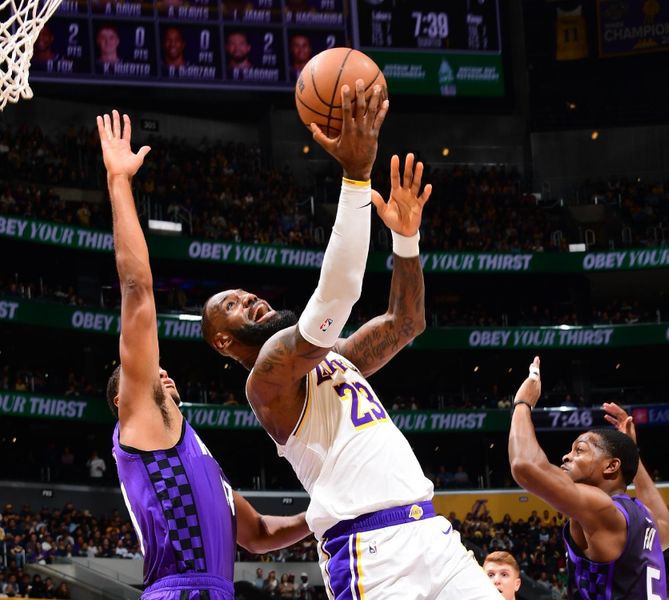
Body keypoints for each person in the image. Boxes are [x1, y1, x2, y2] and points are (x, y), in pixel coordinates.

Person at [201, 82, 497, 598]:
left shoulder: (331, 358)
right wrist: (356, 177)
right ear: (225, 342)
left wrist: (406, 239)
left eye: (246, 293)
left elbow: (406, 323)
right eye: (231, 305)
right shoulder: (267, 378)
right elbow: (335, 298)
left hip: (430, 533)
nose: (249, 299)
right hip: (370, 552)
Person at [97, 110, 310, 600]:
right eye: (154, 374)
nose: (164, 375)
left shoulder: (201, 457)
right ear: (123, 401)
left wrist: (323, 514)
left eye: (166, 372)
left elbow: (258, 535)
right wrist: (119, 182)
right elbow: (137, 289)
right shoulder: (141, 423)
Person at [508, 357, 669, 600]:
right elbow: (665, 526)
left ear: (610, 466)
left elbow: (525, 466)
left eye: (580, 450)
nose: (566, 456)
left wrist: (523, 403)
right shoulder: (646, 521)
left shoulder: (602, 507)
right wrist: (630, 451)